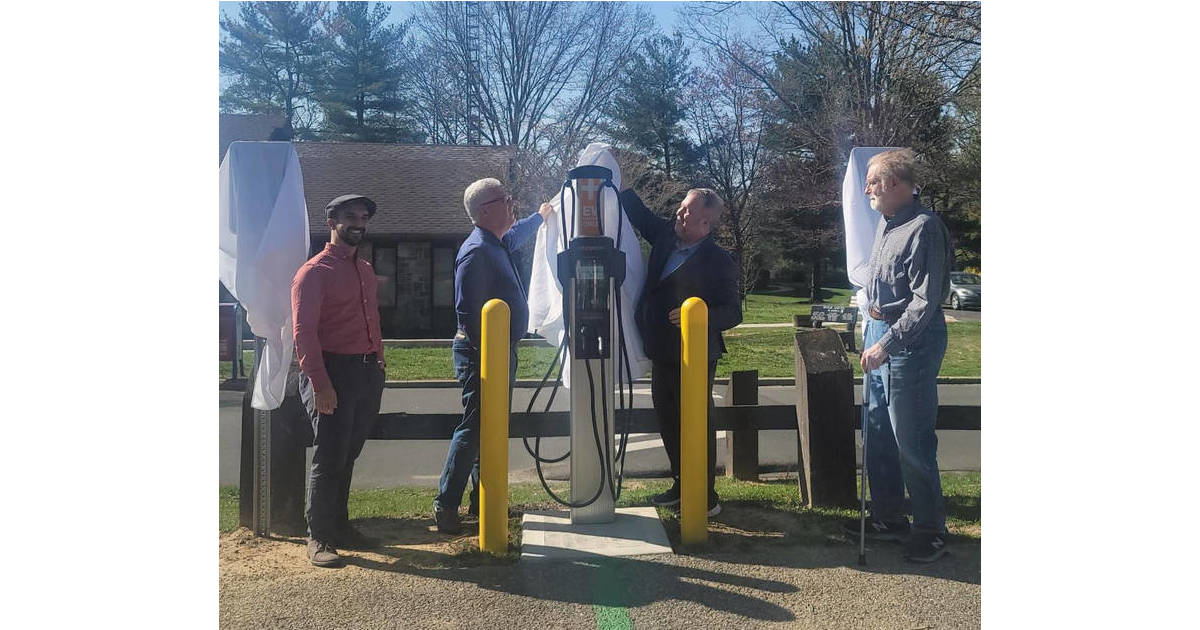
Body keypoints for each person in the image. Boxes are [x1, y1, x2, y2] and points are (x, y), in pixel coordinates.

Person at [847, 148, 954, 563]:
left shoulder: (924, 228)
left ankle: (931, 529)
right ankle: (889, 516)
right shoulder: (887, 224)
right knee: (877, 432)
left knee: (911, 438)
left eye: (872, 181)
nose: (867, 189)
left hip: (910, 342)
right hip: (878, 329)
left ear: (893, 183)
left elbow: (925, 303)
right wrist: (870, 329)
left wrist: (885, 343)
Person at [434, 178, 553, 534]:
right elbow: (468, 313)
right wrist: (489, 359)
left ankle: (482, 501)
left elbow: (515, 236)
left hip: (499, 352)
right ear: (486, 210)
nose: (512, 203)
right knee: (475, 427)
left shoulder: (495, 243)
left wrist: (540, 217)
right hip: (482, 354)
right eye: (505, 199)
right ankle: (446, 504)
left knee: (490, 427)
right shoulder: (477, 252)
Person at [618, 186, 742, 516]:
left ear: (706, 222)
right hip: (662, 351)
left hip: (695, 356)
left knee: (695, 423)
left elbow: (733, 311)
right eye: (681, 207)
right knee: (669, 421)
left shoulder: (718, 260)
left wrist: (698, 314)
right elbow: (640, 214)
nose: (679, 214)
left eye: (687, 211)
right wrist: (617, 182)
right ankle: (680, 484)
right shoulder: (665, 235)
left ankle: (704, 496)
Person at [291, 194, 386, 568]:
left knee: (348, 455)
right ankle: (319, 537)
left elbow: (372, 319)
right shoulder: (313, 273)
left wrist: (378, 361)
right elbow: (304, 333)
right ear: (332, 222)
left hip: (365, 372)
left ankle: (340, 527)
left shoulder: (363, 269)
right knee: (329, 458)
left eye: (364, 216)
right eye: (350, 217)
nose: (358, 223)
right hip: (331, 372)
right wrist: (320, 383)